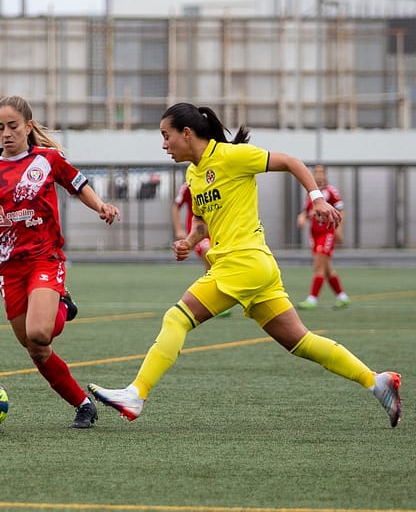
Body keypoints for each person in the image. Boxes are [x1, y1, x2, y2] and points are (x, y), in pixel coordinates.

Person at [87, 103, 402, 428]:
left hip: (242, 262)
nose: (164, 144)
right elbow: (201, 221)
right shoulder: (193, 173)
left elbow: (291, 162)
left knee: (176, 318)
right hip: (255, 268)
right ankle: (377, 382)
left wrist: (317, 198)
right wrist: (190, 243)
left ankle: (136, 393)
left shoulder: (232, 156)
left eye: (166, 136)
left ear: (187, 132)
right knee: (301, 342)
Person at [0, 95, 122, 429]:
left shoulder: (48, 159)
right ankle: (83, 404)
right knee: (34, 347)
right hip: (7, 266)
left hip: (44, 256)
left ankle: (63, 304)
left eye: (12, 126)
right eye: (0, 128)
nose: (6, 133)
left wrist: (100, 206)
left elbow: (78, 184)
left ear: (28, 127)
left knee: (39, 332)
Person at [171, 181, 230, 318]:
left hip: (218, 233)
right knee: (208, 252)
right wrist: (179, 229)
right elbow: (176, 206)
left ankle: (220, 296)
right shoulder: (189, 184)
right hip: (198, 233)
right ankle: (213, 298)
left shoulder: (220, 181)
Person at [296, 164, 349, 310]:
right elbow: (306, 212)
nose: (318, 175)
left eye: (321, 172)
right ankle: (342, 297)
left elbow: (341, 211)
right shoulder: (311, 194)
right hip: (314, 233)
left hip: (327, 233)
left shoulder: (331, 192)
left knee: (318, 266)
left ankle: (312, 299)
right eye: (316, 172)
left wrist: (339, 230)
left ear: (326, 175)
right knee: (327, 268)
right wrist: (301, 217)